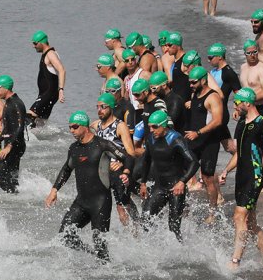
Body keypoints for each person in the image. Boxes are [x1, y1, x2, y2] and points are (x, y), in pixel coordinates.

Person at [219, 87, 263, 269]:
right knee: (250, 224)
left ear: (247, 103)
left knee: (238, 216)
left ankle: (235, 261)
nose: (234, 106)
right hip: (241, 177)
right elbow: (239, 153)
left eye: (236, 102)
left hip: (255, 176)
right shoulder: (241, 124)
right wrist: (226, 170)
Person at [45, 111, 128, 261]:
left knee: (100, 245)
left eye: (75, 127)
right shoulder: (74, 148)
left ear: (85, 127)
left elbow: (128, 157)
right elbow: (66, 169)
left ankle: (105, 269)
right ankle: (91, 254)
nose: (71, 131)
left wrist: (124, 168)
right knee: (65, 236)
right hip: (81, 202)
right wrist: (54, 190)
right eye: (70, 127)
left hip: (100, 202)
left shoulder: (102, 145)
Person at [134, 110, 200, 242]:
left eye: (155, 127)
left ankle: (181, 251)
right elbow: (146, 161)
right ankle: (153, 249)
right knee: (146, 219)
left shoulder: (175, 139)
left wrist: (182, 182)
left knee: (173, 226)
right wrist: (143, 183)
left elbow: (194, 162)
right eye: (149, 126)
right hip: (160, 187)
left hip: (176, 188)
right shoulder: (150, 139)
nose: (151, 130)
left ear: (164, 125)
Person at [185, 66, 226, 219]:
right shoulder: (195, 93)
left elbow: (218, 121)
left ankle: (212, 212)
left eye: (194, 82)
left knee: (207, 177)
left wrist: (199, 133)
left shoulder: (213, 97)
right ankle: (185, 208)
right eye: (190, 82)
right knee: (186, 171)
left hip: (209, 142)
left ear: (203, 80)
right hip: (194, 140)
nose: (191, 85)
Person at [94, 93, 139, 226]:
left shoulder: (120, 126)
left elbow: (131, 153)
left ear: (111, 107)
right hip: (105, 174)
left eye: (103, 107)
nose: (99, 110)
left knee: (123, 208)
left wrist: (122, 164)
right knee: (113, 207)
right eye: (97, 107)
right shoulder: (97, 125)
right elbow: (83, 130)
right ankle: (136, 230)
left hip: (120, 172)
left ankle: (137, 233)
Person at [239, 40, 263, 192]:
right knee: (245, 143)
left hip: (260, 107)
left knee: (260, 146)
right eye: (249, 53)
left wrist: (249, 100)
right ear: (244, 53)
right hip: (246, 109)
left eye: (255, 52)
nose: (253, 55)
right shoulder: (242, 67)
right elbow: (242, 91)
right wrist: (238, 106)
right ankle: (253, 174)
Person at [0, 75, 27, 193]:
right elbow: (7, 127)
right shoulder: (8, 102)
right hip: (11, 144)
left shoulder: (17, 103)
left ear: (6, 88)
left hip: (15, 146)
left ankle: (15, 194)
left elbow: (19, 126)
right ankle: (17, 197)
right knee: (11, 178)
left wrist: (9, 146)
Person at [28, 30, 65, 126]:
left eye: (35, 43)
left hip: (49, 94)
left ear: (42, 42)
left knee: (29, 116)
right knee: (39, 123)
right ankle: (36, 140)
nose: (33, 46)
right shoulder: (46, 54)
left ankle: (22, 138)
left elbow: (62, 70)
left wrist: (61, 89)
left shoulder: (50, 54)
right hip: (47, 94)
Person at [166, 32, 191, 102]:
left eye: (169, 45)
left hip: (185, 104)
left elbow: (197, 81)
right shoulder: (175, 61)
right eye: (166, 45)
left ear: (178, 45)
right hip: (177, 103)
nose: (167, 48)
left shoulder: (185, 61)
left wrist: (192, 101)